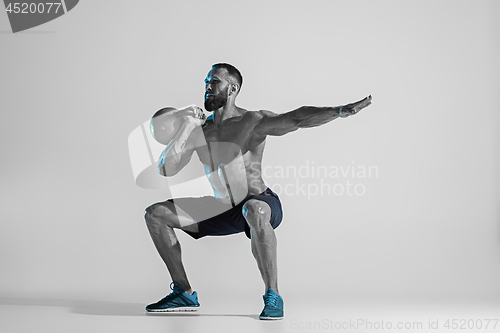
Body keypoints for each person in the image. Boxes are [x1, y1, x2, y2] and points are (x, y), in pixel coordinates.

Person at [144, 63, 372, 320]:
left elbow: (296, 118)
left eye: (214, 82)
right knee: (156, 214)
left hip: (258, 201)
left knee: (253, 209)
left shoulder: (251, 121)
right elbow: (166, 169)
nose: (208, 87)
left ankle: (273, 295)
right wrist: (187, 125)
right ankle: (183, 292)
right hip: (220, 207)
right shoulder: (200, 131)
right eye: (206, 82)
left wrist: (337, 111)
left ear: (232, 88)